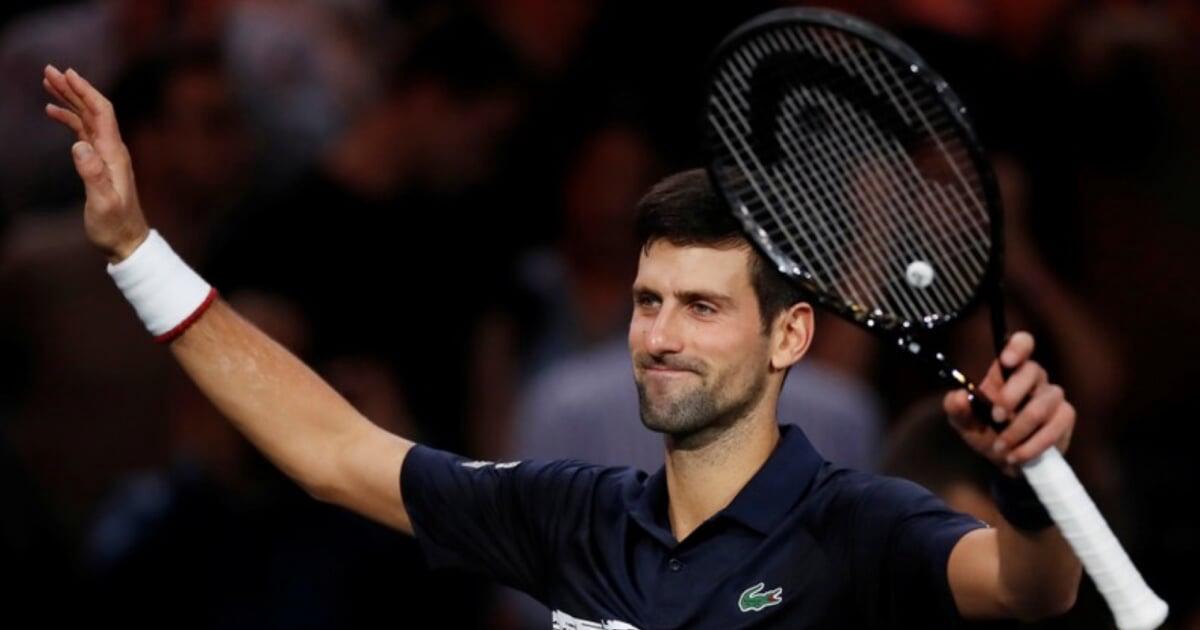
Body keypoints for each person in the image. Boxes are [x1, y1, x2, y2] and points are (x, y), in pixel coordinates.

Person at [43, 65, 1081, 628]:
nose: (660, 337)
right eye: (647, 301)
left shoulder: (853, 526)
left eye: (702, 307)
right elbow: (330, 450)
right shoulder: (570, 518)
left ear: (789, 334)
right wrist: (137, 250)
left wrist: (1034, 487)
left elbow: (1030, 590)